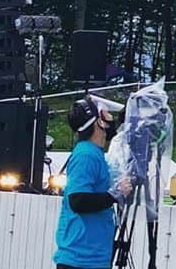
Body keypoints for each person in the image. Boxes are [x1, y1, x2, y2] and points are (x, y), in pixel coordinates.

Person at [53, 95, 131, 269]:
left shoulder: (94, 153)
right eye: (105, 113)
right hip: (81, 257)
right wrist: (113, 195)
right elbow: (77, 201)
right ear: (99, 122)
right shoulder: (86, 155)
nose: (110, 116)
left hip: (92, 256)